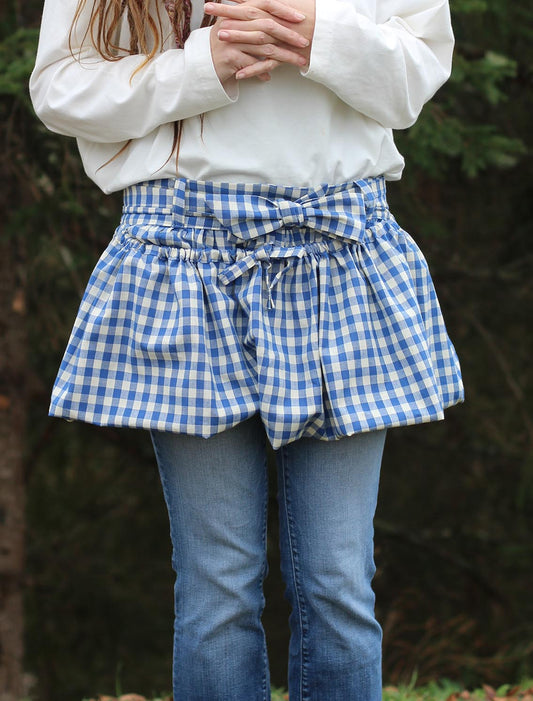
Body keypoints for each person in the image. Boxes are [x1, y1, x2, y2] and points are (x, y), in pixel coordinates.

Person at [29, 0, 464, 697]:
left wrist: (315, 32)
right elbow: (60, 89)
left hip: (339, 249)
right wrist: (199, 67)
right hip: (182, 256)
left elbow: (415, 78)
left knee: (336, 582)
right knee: (216, 589)